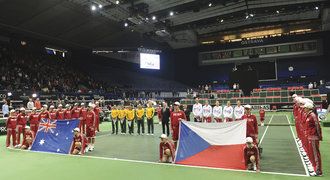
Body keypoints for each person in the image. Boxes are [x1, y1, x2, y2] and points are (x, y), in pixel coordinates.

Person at [304, 102, 322, 176]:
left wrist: (319, 136)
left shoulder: (312, 115)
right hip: (310, 136)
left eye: (305, 107)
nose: (304, 109)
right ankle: (314, 167)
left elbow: (317, 126)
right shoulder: (309, 115)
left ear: (308, 108)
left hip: (314, 137)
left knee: (315, 154)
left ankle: (318, 171)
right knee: (312, 153)